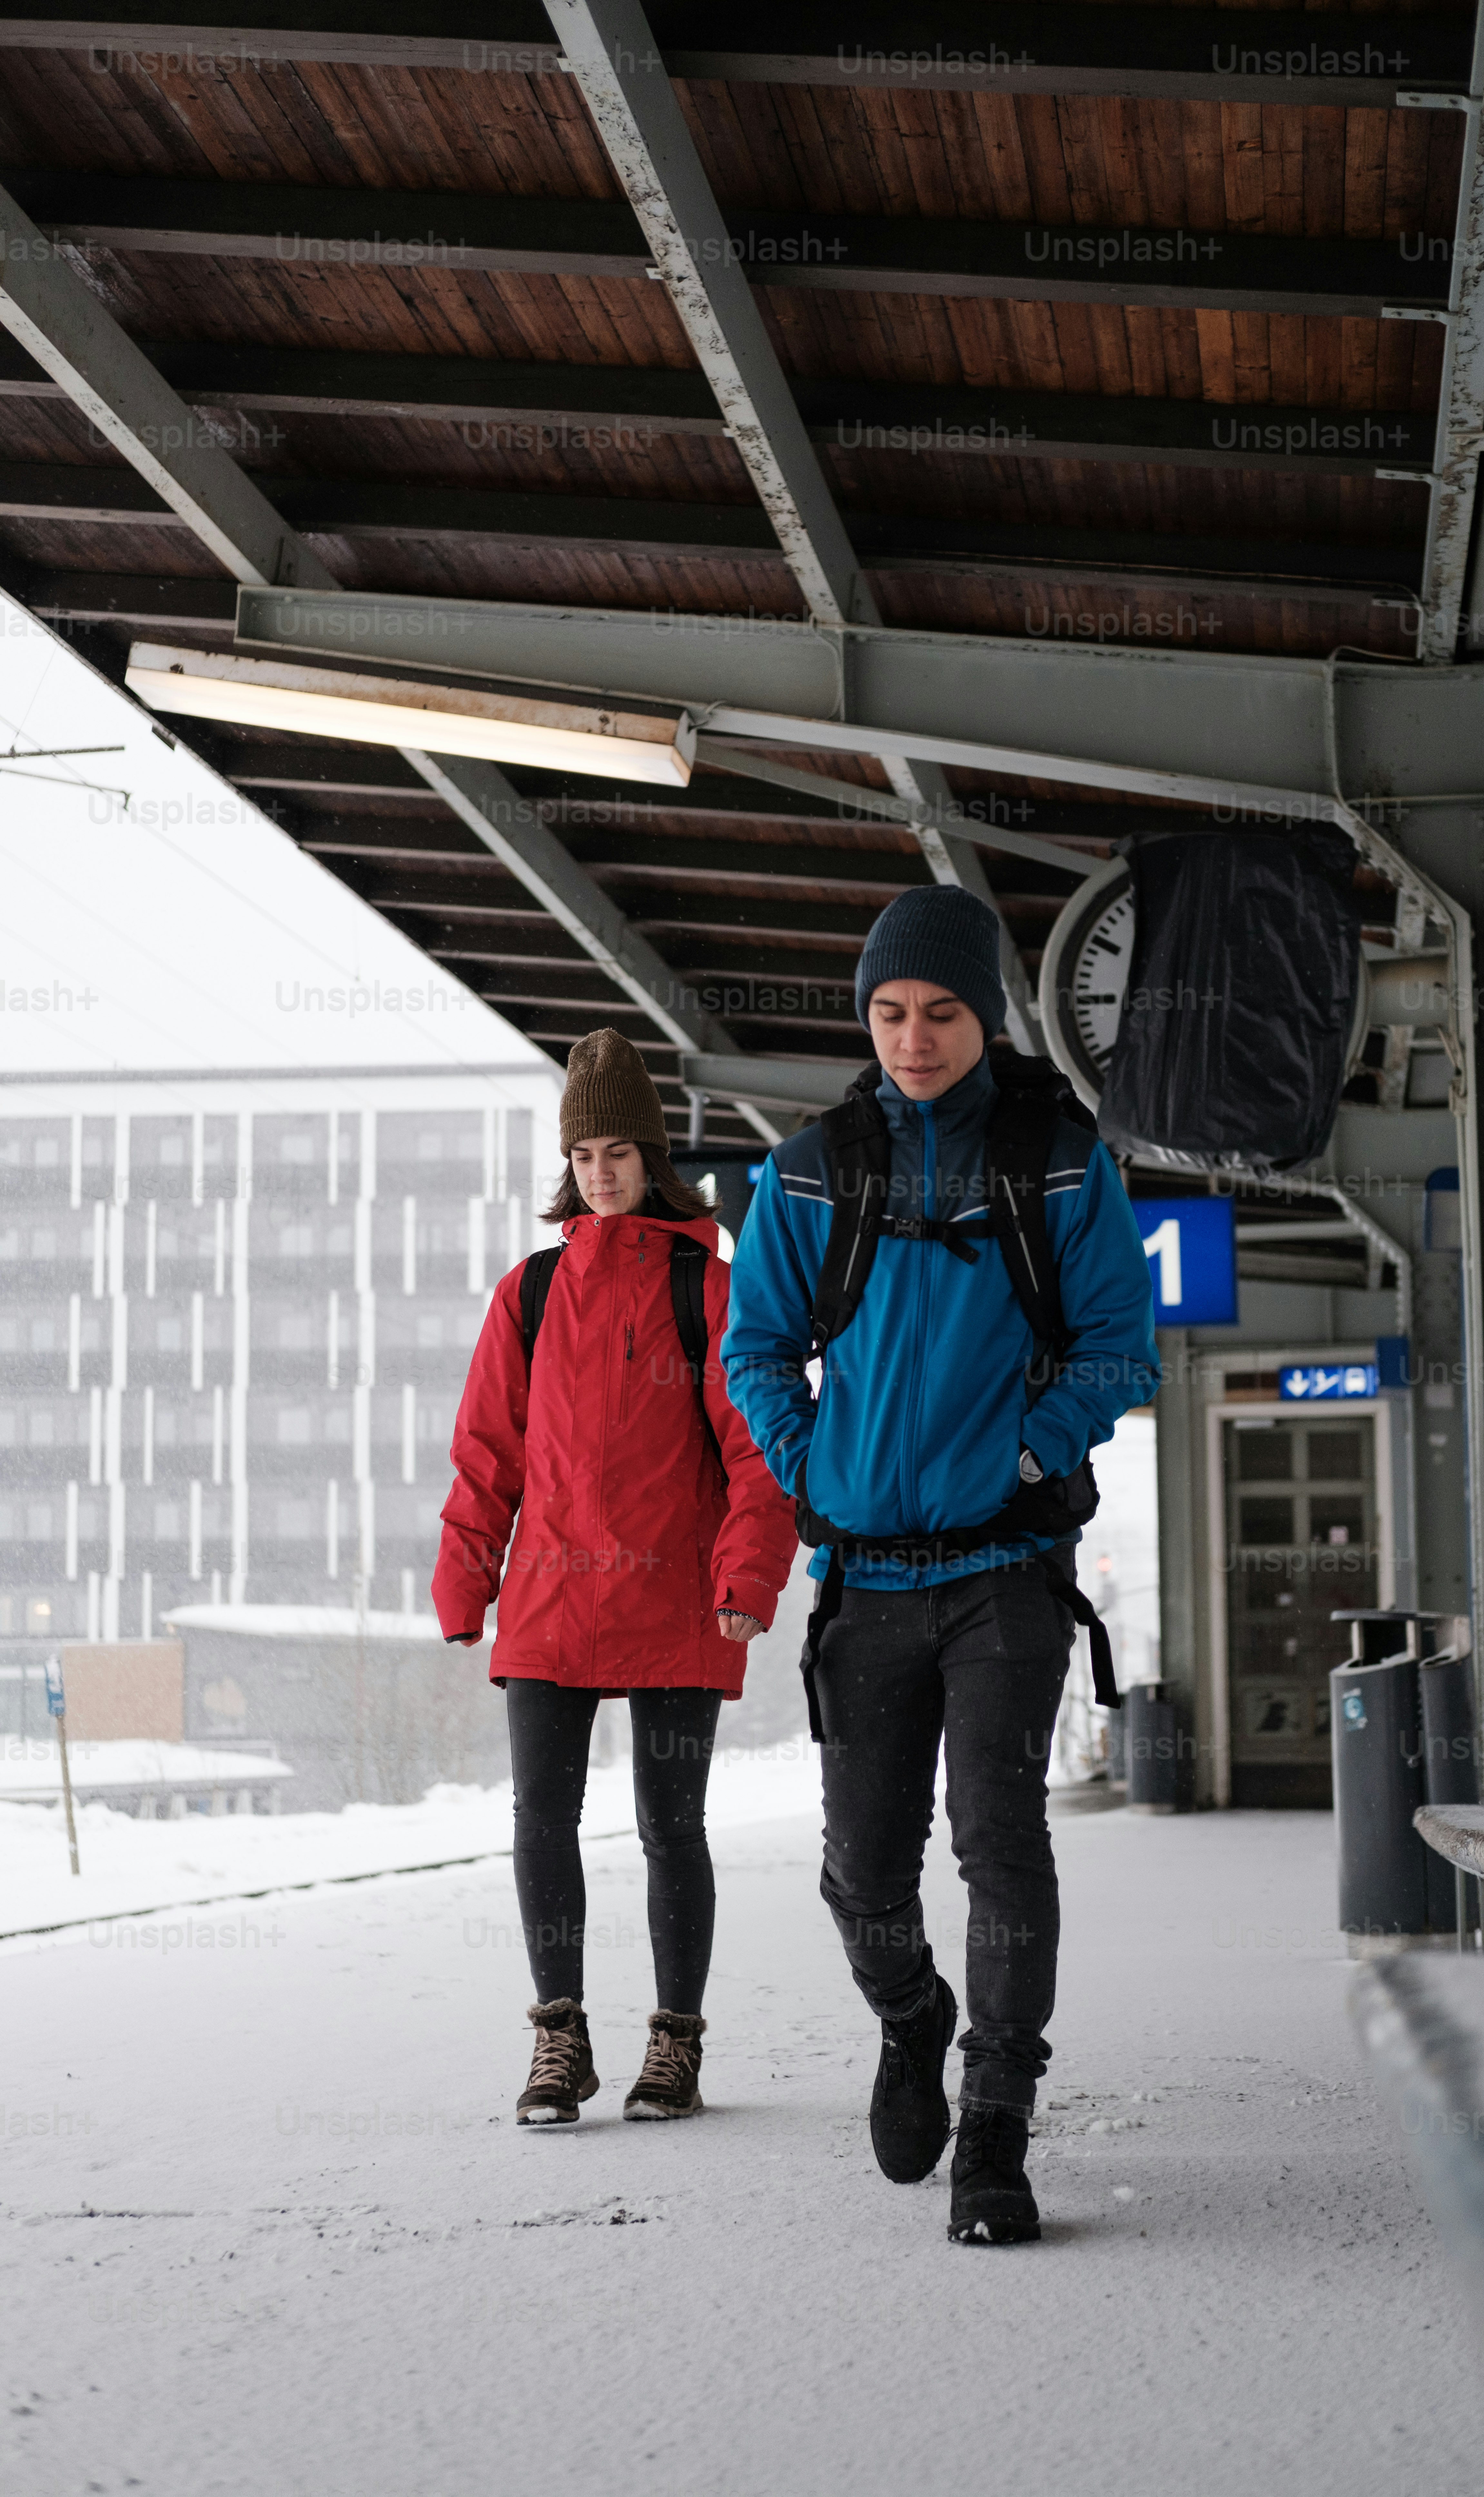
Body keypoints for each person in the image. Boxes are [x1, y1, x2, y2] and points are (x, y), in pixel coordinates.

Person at [723, 884, 1158, 2243]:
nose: (915, 1037)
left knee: (1000, 1841)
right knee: (860, 1868)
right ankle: (915, 2018)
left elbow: (1116, 1347)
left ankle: (996, 2128)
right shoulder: (809, 1169)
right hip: (863, 1580)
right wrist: (807, 1468)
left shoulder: (1062, 1162)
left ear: (988, 1016)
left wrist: (1030, 1457)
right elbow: (752, 1350)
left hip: (1006, 1571)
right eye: (893, 1012)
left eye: (943, 1012)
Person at [433, 1029, 797, 2128]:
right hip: (549, 1596)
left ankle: (674, 2048)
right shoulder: (530, 1291)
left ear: (652, 1155)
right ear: (568, 1165)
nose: (601, 1171)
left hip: (678, 1600)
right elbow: (487, 1449)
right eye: (583, 1153)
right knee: (540, 1820)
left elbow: (758, 1449)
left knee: (668, 1826)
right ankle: (559, 2041)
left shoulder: (711, 1288)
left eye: (619, 1150)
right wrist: (466, 1578)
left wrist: (748, 1576)